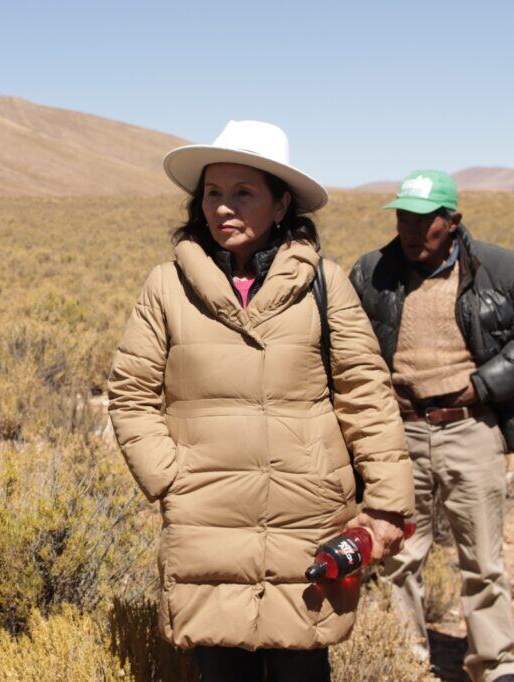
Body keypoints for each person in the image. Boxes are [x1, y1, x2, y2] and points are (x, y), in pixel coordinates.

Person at [107, 120, 415, 682]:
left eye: (242, 193)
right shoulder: (167, 286)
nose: (223, 208)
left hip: (308, 514)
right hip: (208, 519)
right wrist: (171, 477)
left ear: (280, 204)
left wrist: (389, 504)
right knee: (221, 665)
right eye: (212, 194)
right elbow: (131, 393)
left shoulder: (326, 283)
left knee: (303, 664)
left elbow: (365, 395)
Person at [350, 170, 514, 682]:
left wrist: (483, 385)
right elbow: (348, 344)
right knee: (399, 553)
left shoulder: (497, 268)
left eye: (425, 221)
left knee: (483, 558)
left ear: (453, 220)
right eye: (404, 219)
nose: (412, 231)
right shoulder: (372, 271)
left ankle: (495, 663)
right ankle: (404, 658)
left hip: (470, 427)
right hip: (399, 431)